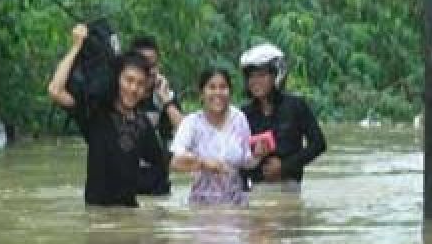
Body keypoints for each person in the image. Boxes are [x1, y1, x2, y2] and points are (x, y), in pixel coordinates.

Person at [48, 25, 166, 208]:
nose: (133, 89)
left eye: (140, 84)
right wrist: (76, 46)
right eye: (129, 80)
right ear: (117, 79)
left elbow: (161, 162)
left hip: (130, 216)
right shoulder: (95, 114)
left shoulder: (143, 123)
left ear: (145, 90)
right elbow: (55, 90)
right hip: (96, 218)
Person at [169, 68, 265, 206]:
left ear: (230, 92)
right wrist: (203, 163)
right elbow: (175, 162)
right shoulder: (191, 123)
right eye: (212, 87)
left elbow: (246, 162)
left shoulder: (239, 119)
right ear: (202, 93)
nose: (218, 93)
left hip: (236, 205)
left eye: (223, 87)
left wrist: (258, 155)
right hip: (202, 206)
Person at [238, 43, 326, 190]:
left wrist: (285, 166)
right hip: (256, 191)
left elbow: (318, 144)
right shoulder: (244, 114)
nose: (255, 81)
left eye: (261, 75)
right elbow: (238, 161)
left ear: (277, 75)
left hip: (290, 189)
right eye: (251, 76)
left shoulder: (296, 106)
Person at [129, 35, 183, 195]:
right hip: (125, 186)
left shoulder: (166, 97)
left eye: (153, 65)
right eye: (144, 65)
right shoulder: (121, 97)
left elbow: (187, 133)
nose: (150, 71)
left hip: (157, 187)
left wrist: (166, 101)